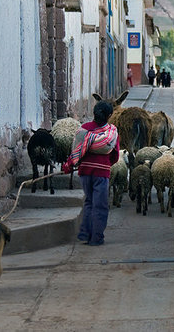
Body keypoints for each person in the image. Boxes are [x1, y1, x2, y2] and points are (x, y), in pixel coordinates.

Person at [62, 101, 120, 246]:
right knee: (100, 205)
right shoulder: (111, 132)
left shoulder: (83, 129)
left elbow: (76, 150)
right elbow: (115, 156)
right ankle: (96, 238)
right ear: (109, 115)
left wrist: (69, 164)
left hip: (85, 172)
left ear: (94, 114)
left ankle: (85, 234)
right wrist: (105, 163)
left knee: (89, 202)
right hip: (101, 172)